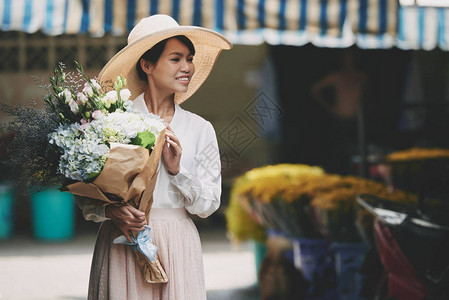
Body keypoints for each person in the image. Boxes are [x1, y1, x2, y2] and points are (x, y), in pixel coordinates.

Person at [76, 14, 232, 300]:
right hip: (122, 242)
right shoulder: (114, 122)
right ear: (147, 65)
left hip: (178, 244)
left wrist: (177, 172)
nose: (187, 67)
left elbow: (208, 204)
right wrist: (112, 211)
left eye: (190, 58)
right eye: (176, 59)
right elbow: (86, 199)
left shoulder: (199, 128)